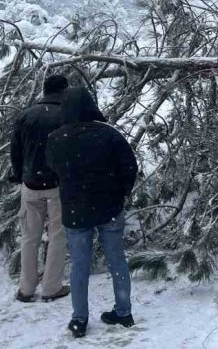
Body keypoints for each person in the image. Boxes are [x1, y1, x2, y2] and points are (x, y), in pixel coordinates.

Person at [46, 86, 139, 338]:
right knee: (117, 260)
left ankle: (79, 318)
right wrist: (120, 193)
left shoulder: (56, 138)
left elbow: (53, 169)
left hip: (75, 211)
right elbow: (129, 167)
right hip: (109, 208)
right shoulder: (108, 135)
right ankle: (123, 311)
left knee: (79, 265)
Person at [10, 74, 70, 303]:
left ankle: (26, 288)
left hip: (30, 183)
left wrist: (18, 175)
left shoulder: (26, 115)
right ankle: (51, 286)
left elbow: (15, 151)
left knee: (29, 236)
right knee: (57, 235)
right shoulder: (66, 116)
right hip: (57, 184)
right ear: (64, 91)